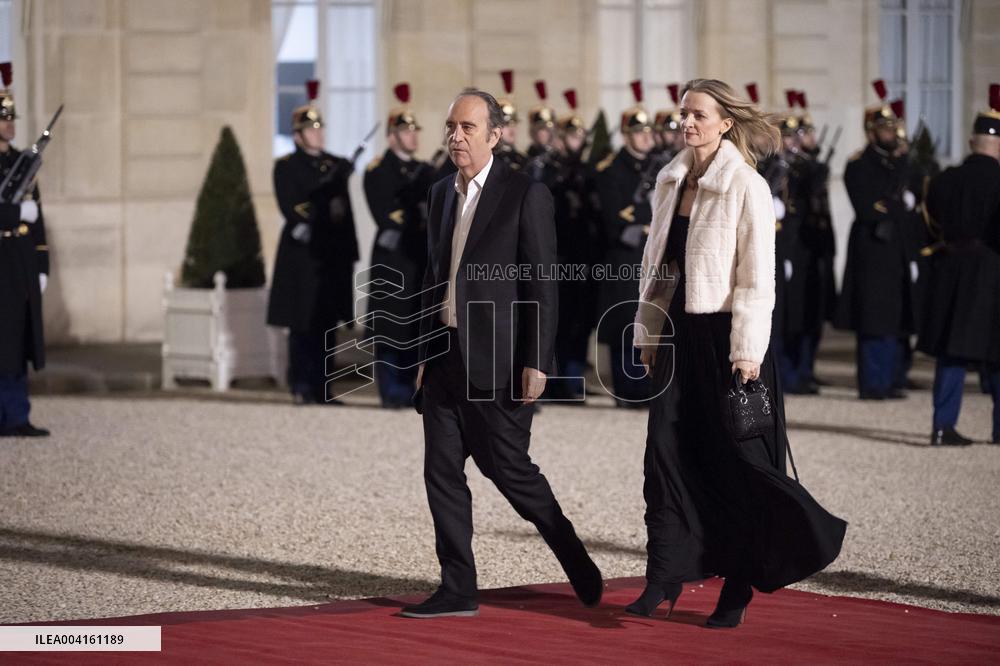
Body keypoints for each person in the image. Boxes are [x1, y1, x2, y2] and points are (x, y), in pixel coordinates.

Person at [631, 78, 846, 628]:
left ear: (726, 122)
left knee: (739, 464)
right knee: (665, 451)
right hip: (680, 334)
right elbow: (660, 272)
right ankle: (665, 576)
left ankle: (739, 586)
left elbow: (757, 278)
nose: (688, 123)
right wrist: (649, 332)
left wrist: (748, 351)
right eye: (683, 114)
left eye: (699, 114)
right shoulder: (671, 178)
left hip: (728, 341)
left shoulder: (745, 184)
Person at [401, 89, 602, 618]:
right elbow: (433, 275)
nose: (456, 137)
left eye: (468, 128)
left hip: (501, 360)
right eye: (450, 127)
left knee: (510, 472)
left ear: (495, 135)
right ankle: (457, 588)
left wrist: (538, 359)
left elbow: (543, 281)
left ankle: (573, 553)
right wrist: (421, 351)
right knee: (441, 473)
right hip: (445, 357)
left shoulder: (525, 194)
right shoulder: (440, 193)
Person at [266, 80, 359, 405]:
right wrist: (327, 187)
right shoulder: (287, 167)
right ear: (298, 135)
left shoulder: (335, 164)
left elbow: (343, 214)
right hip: (303, 258)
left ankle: (323, 388)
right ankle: (302, 385)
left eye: (320, 129)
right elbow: (296, 209)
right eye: (311, 129)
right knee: (302, 323)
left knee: (326, 325)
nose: (319, 134)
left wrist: (350, 252)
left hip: (331, 257)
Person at [917, 86, 1000, 446]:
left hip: (952, 271)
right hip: (993, 272)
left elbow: (929, 225)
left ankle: (941, 426)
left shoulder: (943, 180)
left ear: (971, 141)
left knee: (952, 353)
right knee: (997, 353)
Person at [835, 85, 922, 400]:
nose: (892, 134)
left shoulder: (898, 162)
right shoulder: (859, 164)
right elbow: (870, 208)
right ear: (872, 132)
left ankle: (892, 378)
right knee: (874, 319)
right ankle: (873, 383)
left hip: (897, 250)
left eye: (894, 128)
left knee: (897, 316)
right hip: (873, 252)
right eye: (885, 129)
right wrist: (901, 203)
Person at [363, 83, 433, 408]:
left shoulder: (425, 171)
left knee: (415, 326)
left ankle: (410, 386)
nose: (413, 136)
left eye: (414, 130)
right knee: (390, 325)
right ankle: (391, 390)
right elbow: (387, 215)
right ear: (392, 135)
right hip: (393, 259)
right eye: (406, 131)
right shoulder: (378, 171)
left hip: (418, 257)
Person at [594, 80, 656, 407]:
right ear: (626, 135)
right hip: (624, 258)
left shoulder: (656, 167)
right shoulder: (611, 171)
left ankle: (645, 385)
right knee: (624, 323)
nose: (646, 136)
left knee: (650, 321)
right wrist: (642, 222)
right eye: (639, 132)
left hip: (650, 258)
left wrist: (642, 221)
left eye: (648, 131)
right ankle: (627, 390)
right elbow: (616, 223)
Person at [0, 62, 50, 438]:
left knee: (17, 339)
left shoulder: (21, 163)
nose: (10, 123)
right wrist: (16, 211)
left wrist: (43, 263)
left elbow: (39, 220)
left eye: (11, 117)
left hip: (20, 259)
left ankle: (18, 415)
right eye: (3, 118)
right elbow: (20, 210)